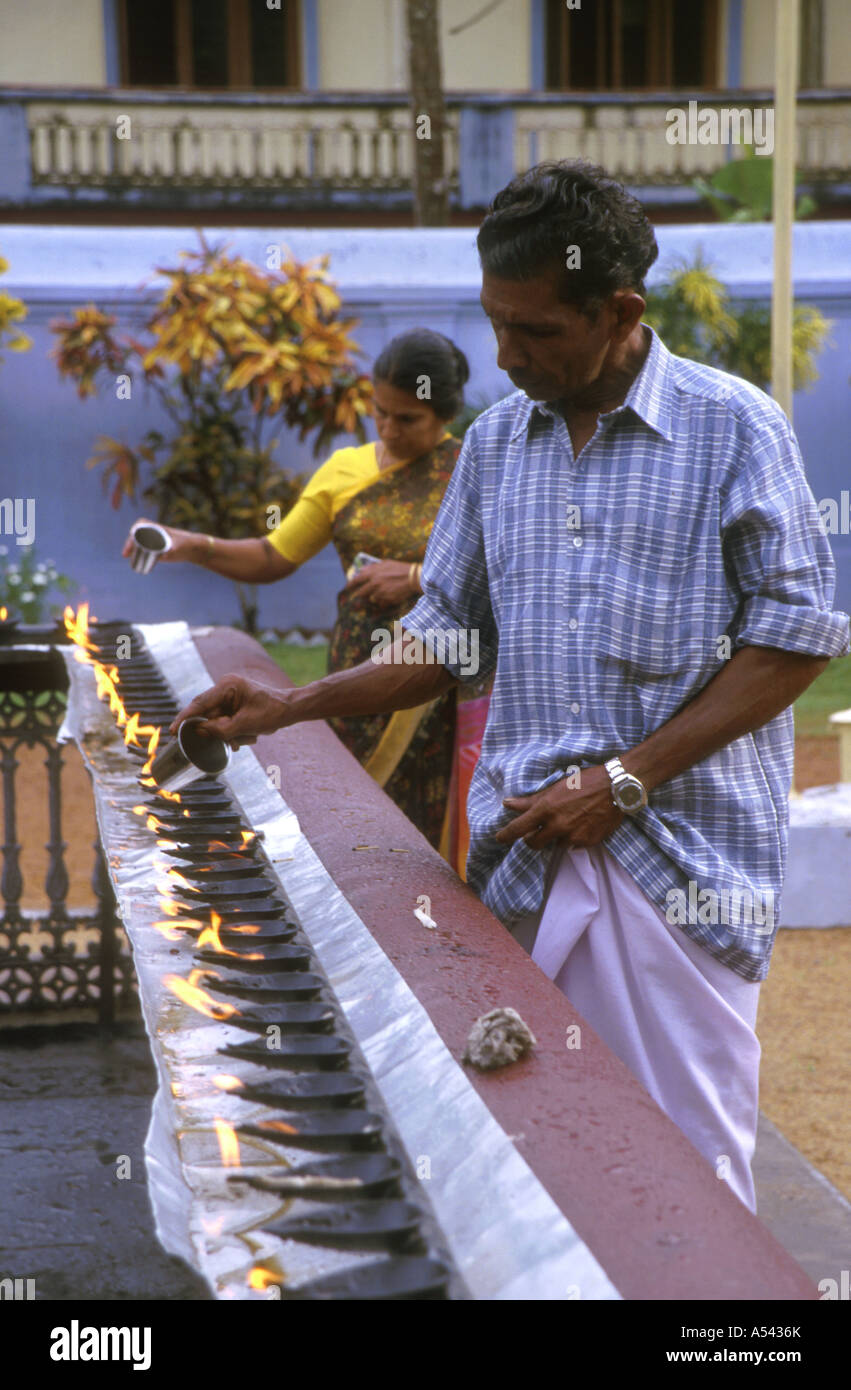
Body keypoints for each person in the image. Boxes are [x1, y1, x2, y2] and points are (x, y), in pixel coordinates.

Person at [170, 161, 849, 1213]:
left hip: (680, 875)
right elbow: (441, 635)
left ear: (618, 309)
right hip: (522, 862)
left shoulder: (732, 428)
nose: (506, 356)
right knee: (548, 1170)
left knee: (687, 1187)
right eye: (495, 325)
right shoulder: (495, 446)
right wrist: (290, 706)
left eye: (534, 332)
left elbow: (793, 640)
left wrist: (622, 780)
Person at [124, 328, 489, 867]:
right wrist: (190, 543)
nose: (388, 429)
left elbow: (497, 573)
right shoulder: (345, 470)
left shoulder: (470, 473)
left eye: (406, 419)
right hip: (356, 667)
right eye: (379, 412)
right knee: (348, 821)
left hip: (437, 679)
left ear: (444, 414)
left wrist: (414, 578)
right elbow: (274, 557)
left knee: (422, 837)